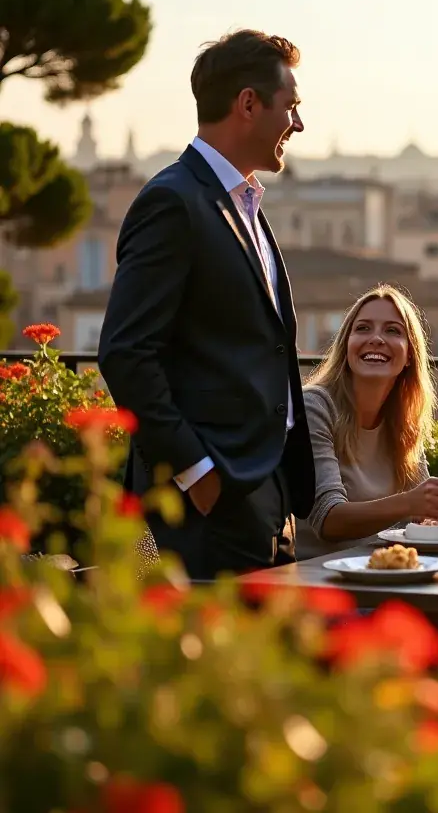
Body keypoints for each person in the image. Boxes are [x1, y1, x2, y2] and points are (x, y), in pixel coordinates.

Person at [99, 30, 316, 581]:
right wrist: (197, 473)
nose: (298, 123)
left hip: (263, 490)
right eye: (290, 106)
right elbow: (126, 353)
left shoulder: (240, 203)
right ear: (248, 104)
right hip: (212, 500)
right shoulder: (174, 201)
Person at [296, 284, 438, 559]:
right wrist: (411, 503)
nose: (376, 339)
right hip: (322, 582)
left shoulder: (404, 421)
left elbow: (418, 516)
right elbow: (328, 519)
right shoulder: (315, 407)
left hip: (388, 573)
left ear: (409, 355)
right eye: (362, 329)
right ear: (346, 346)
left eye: (392, 331)